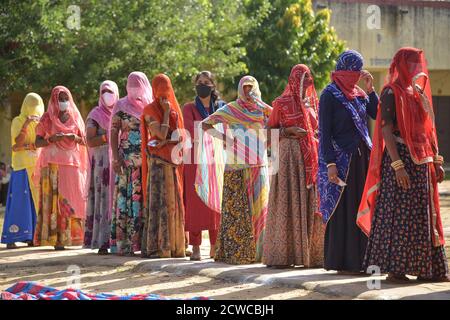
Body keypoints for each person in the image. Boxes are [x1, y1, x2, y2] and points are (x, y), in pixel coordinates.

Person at [358, 47, 449, 282]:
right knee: (399, 216)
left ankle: (426, 269)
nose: (416, 69)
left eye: (418, 64)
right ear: (401, 65)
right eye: (412, 64)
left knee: (422, 217)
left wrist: (437, 161)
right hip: (401, 162)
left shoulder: (418, 93)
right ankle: (395, 270)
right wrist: (398, 165)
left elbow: (428, 129)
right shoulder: (391, 92)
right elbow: (386, 128)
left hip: (422, 162)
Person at [196, 75, 271, 264]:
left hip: (258, 165)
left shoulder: (262, 110)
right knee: (236, 212)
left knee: (260, 212)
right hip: (236, 167)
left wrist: (261, 104)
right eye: (244, 88)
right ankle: (236, 252)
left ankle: (259, 252)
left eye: (251, 87)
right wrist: (225, 139)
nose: (248, 91)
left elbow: (277, 118)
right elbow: (206, 124)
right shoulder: (231, 108)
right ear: (239, 89)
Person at [317, 50, 378, 274]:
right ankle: (341, 260)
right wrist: (330, 163)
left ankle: (361, 259)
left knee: (360, 206)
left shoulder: (360, 94)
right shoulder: (329, 95)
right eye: (353, 70)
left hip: (361, 160)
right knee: (342, 208)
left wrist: (371, 89)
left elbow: (375, 113)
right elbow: (324, 133)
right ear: (344, 70)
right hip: (341, 160)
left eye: (358, 71)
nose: (356, 75)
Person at [263, 64, 324, 268]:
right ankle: (285, 255)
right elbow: (269, 133)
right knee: (288, 200)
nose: (308, 83)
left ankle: (309, 255)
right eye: (304, 78)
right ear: (294, 80)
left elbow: (318, 131)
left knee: (308, 202)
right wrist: (288, 131)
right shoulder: (280, 103)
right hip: (288, 158)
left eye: (309, 79)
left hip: (309, 160)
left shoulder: (311, 106)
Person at [34, 86, 88, 250]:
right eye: (60, 98)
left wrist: (75, 137)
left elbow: (85, 140)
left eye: (66, 98)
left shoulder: (75, 116)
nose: (63, 102)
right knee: (55, 202)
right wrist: (51, 139)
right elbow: (37, 142)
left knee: (74, 199)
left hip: (72, 164)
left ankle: (75, 237)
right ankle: (57, 239)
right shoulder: (47, 119)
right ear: (53, 100)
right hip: (53, 166)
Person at [140, 73, 186, 258]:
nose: (164, 97)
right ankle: (159, 247)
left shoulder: (175, 110)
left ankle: (176, 246)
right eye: (160, 93)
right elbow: (160, 134)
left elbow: (180, 137)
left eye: (166, 92)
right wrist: (166, 113)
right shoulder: (149, 110)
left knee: (174, 204)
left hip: (172, 164)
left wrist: (166, 141)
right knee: (159, 204)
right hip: (158, 165)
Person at [182, 71, 226, 261]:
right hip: (195, 161)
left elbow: (227, 128)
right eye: (200, 82)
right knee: (196, 204)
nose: (203, 85)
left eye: (206, 82)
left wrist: (209, 128)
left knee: (216, 203)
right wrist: (214, 131)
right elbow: (192, 129)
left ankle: (215, 246)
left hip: (216, 160)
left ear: (213, 85)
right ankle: (196, 247)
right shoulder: (189, 108)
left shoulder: (221, 107)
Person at [110, 72, 152, 256]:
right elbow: (113, 131)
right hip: (126, 160)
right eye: (131, 84)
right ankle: (125, 243)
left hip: (147, 159)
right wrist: (115, 157)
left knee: (143, 198)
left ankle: (143, 243)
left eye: (138, 84)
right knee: (126, 199)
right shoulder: (121, 105)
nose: (135, 88)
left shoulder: (150, 105)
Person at [1, 93, 44, 249]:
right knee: (19, 202)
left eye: (36, 106)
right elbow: (16, 145)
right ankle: (12, 237)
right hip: (21, 167)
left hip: (37, 167)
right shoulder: (17, 121)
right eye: (30, 106)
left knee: (34, 203)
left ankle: (31, 236)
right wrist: (26, 124)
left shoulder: (41, 123)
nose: (33, 110)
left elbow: (43, 143)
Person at [83, 80, 119, 255]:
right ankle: (103, 241)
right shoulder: (95, 115)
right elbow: (89, 140)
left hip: (118, 162)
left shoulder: (122, 111)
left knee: (117, 200)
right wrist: (108, 136)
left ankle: (118, 240)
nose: (107, 95)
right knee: (104, 201)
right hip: (102, 166)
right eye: (104, 91)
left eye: (110, 92)